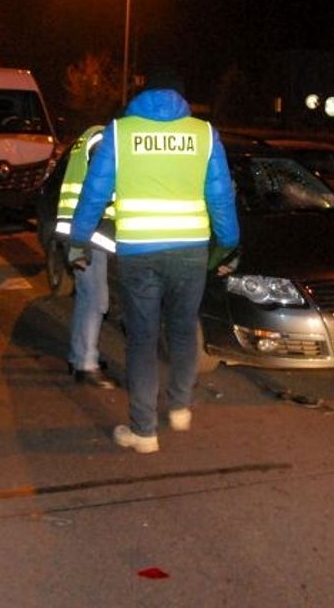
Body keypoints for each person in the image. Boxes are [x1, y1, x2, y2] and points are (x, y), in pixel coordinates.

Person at [68, 73, 240, 454]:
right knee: (182, 331)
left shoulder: (121, 132)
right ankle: (179, 407)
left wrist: (78, 242)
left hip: (139, 253)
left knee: (143, 340)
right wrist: (228, 245)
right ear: (181, 98)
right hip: (190, 252)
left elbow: (94, 192)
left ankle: (144, 432)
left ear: (140, 97)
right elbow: (221, 195)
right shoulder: (204, 134)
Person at [54, 124, 119, 389]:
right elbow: (99, 189)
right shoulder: (105, 141)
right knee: (97, 300)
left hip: (78, 228)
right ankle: (86, 365)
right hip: (89, 230)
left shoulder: (91, 135)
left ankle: (79, 357)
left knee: (86, 297)